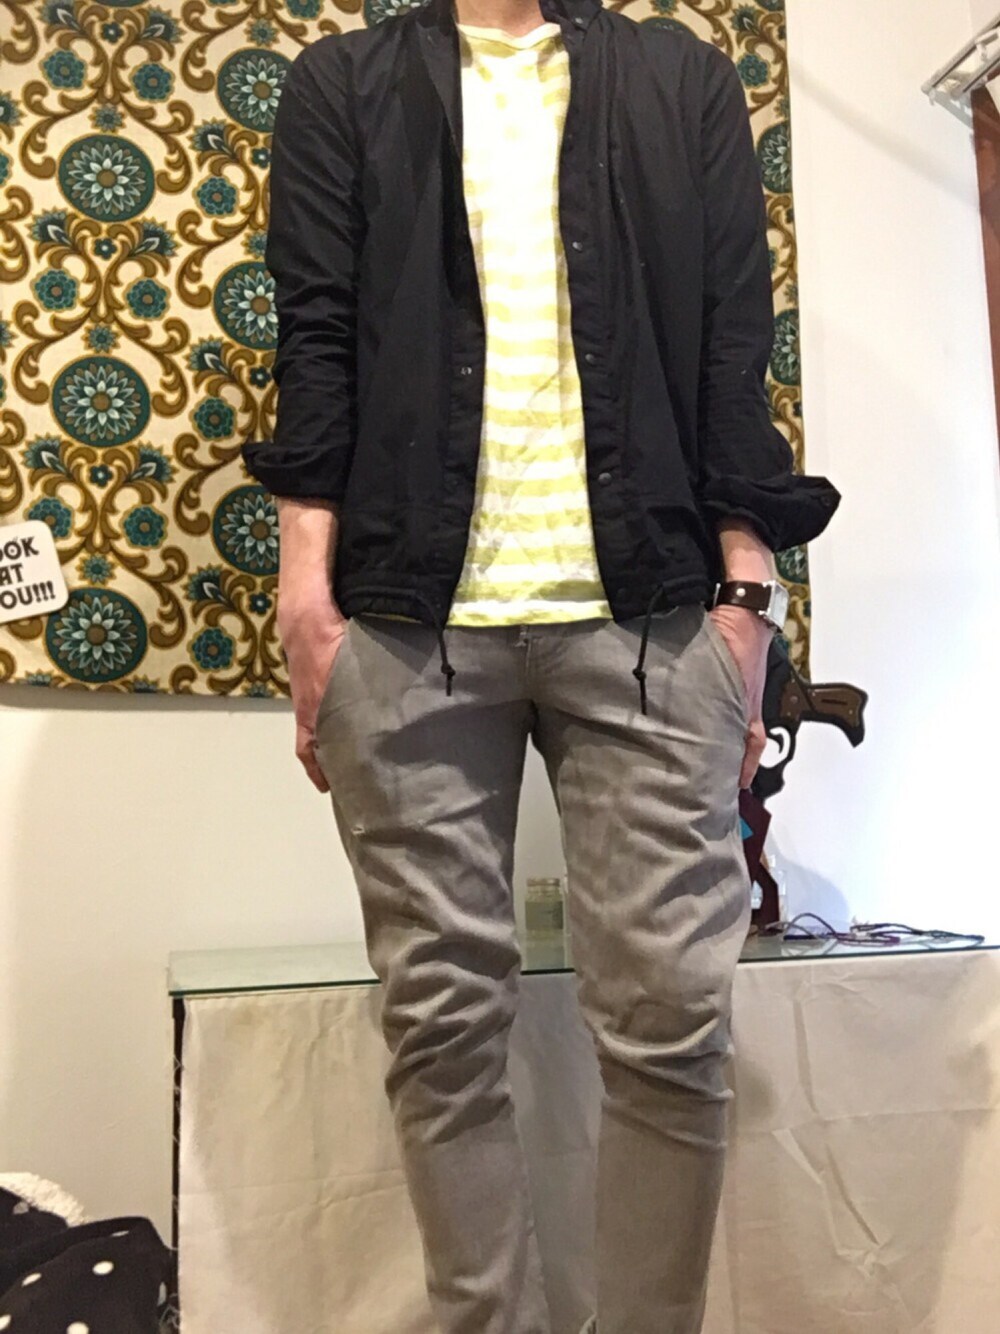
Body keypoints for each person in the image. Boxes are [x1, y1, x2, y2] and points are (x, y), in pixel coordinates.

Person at [242, 0, 840, 1327]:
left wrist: (749, 597)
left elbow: (735, 349)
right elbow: (314, 344)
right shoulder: (345, 85)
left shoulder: (680, 80)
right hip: (402, 623)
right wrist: (304, 600)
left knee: (673, 1024)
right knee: (440, 1029)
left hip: (655, 619)